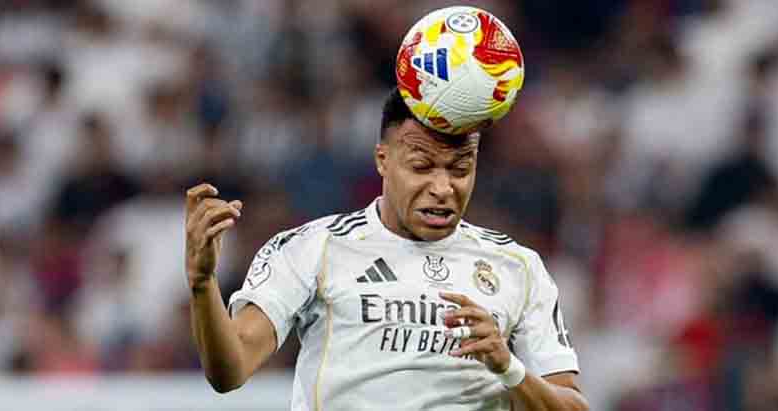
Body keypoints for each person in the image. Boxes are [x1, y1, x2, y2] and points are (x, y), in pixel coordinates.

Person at [184, 88, 589, 410]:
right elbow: (230, 371)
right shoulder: (313, 249)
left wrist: (509, 367)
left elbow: (572, 404)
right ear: (383, 160)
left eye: (460, 169)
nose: (443, 188)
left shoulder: (517, 266)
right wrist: (203, 284)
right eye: (421, 167)